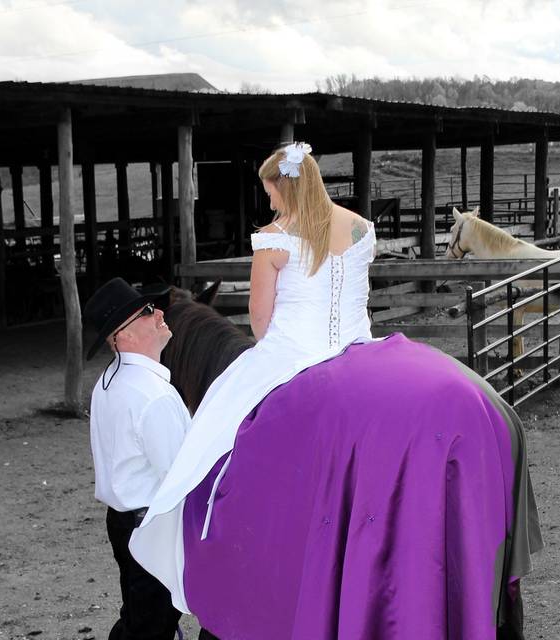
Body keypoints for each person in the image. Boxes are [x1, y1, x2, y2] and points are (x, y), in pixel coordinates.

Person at [130, 141, 377, 620]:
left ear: (285, 187)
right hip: (359, 346)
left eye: (270, 194)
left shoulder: (273, 238)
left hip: (293, 353)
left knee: (212, 431)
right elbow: (360, 297)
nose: (269, 204)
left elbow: (261, 321)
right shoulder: (362, 228)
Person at [83, 277, 190, 640]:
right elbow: (181, 476)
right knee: (150, 626)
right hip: (152, 525)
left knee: (143, 616)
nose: (159, 312)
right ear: (122, 336)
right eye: (146, 311)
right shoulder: (153, 395)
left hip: (123, 521)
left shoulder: (108, 382)